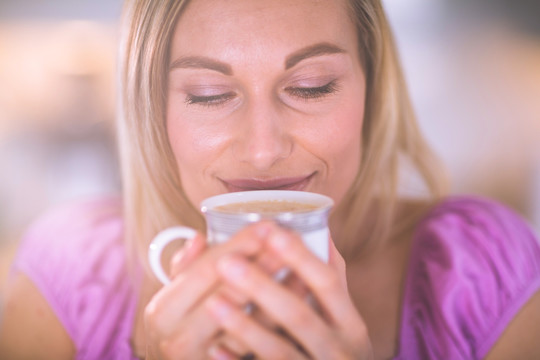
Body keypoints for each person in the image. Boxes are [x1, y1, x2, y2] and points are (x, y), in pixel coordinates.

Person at [1, 0, 540, 359]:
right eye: (209, 95)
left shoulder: (482, 275)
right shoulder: (67, 276)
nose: (263, 151)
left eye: (311, 87)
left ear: (372, 91)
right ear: (151, 109)